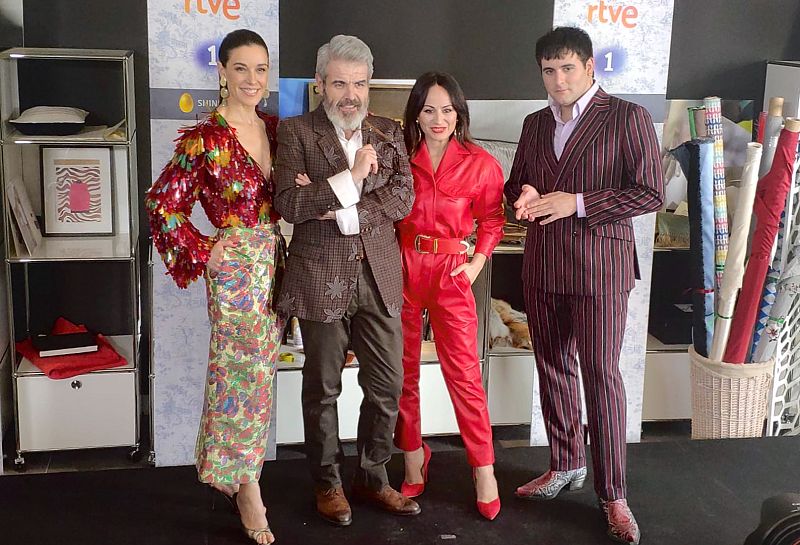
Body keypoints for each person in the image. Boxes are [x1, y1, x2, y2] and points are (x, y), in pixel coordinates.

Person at [505, 27, 663, 544]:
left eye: (567, 68)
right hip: (543, 266)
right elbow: (516, 184)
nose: (558, 80)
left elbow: (650, 192)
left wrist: (574, 202)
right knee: (552, 369)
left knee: (600, 375)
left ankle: (613, 493)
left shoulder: (627, 117)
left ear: (590, 66)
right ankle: (566, 463)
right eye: (549, 71)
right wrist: (524, 194)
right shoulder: (534, 124)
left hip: (600, 270)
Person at [273, 34, 419, 526]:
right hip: (319, 278)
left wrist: (341, 210)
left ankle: (373, 476)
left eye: (359, 84)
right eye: (339, 83)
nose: (350, 95)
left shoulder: (388, 131)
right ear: (320, 84)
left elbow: (403, 196)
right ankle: (328, 483)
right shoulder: (296, 132)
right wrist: (350, 178)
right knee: (322, 389)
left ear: (369, 85)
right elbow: (289, 204)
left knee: (388, 385)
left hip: (379, 275)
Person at [145, 29, 281, 545]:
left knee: (255, 376)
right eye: (241, 68)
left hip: (276, 265)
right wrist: (205, 248)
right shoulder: (206, 137)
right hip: (236, 271)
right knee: (240, 373)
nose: (252, 79)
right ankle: (248, 487)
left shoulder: (274, 128)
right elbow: (162, 204)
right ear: (221, 72)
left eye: (260, 69)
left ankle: (225, 468)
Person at [393, 72, 504, 520]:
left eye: (447, 110)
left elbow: (493, 220)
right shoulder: (399, 157)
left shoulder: (480, 163)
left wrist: (476, 263)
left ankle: (484, 469)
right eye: (428, 110)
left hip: (451, 272)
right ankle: (412, 455)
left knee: (465, 375)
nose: (438, 119)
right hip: (402, 268)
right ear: (416, 115)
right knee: (402, 374)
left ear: (459, 113)